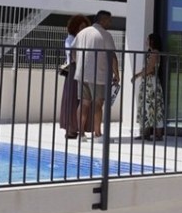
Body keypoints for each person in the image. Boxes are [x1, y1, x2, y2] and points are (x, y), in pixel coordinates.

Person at [74, 10, 120, 140]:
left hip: (82, 74)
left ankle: (81, 134)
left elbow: (73, 52)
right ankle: (98, 134)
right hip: (98, 74)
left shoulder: (82, 33)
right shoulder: (105, 35)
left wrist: (79, 64)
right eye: (109, 20)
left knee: (83, 103)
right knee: (98, 104)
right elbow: (112, 56)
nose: (110, 23)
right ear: (103, 20)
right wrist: (117, 74)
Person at [59, 14, 90, 140]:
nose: (83, 29)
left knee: (82, 100)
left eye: (85, 27)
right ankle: (71, 129)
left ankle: (79, 128)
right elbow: (72, 55)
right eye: (81, 27)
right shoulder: (71, 39)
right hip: (74, 71)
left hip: (82, 71)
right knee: (72, 100)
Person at [131, 33, 165, 141]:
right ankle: (146, 133)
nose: (146, 41)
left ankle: (157, 134)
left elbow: (150, 69)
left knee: (153, 106)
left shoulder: (154, 53)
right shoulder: (151, 53)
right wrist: (138, 75)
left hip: (151, 83)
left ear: (152, 41)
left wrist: (137, 75)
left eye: (148, 39)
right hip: (148, 82)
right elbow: (147, 68)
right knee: (147, 106)